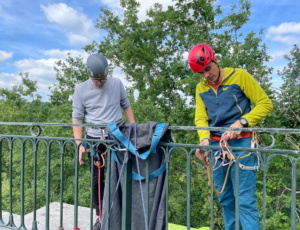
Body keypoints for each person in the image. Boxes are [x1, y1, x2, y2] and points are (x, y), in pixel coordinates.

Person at [188, 43, 273, 230]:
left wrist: (242, 122)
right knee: (225, 199)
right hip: (217, 147)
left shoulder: (240, 76)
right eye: (201, 73)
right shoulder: (201, 88)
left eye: (208, 69)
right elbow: (201, 117)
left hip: (243, 144)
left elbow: (265, 104)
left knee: (245, 201)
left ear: (216, 60)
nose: (206, 75)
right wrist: (204, 139)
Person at [72, 53, 135, 230]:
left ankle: (123, 216)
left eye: (103, 79)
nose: (100, 82)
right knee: (97, 180)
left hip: (118, 136)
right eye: (96, 80)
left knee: (123, 176)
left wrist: (134, 130)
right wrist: (79, 144)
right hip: (94, 139)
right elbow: (77, 119)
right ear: (89, 74)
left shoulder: (116, 83)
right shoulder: (81, 90)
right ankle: (101, 217)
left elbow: (126, 106)